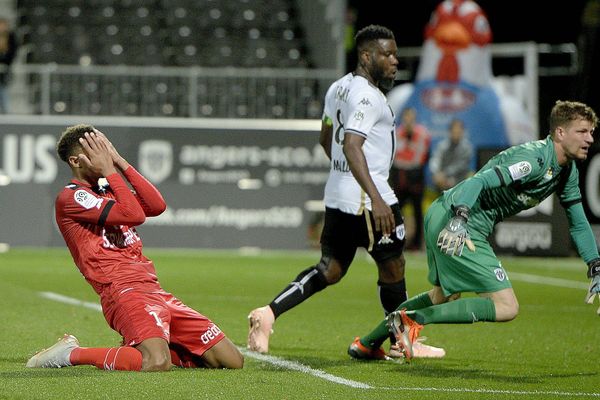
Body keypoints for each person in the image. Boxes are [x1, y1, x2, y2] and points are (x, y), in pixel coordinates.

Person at [246, 24, 444, 360]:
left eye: (396, 54)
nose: (395, 61)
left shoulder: (338, 88)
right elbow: (352, 145)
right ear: (367, 56)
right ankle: (404, 341)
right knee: (393, 268)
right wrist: (376, 197)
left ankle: (268, 313)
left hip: (339, 196)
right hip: (370, 200)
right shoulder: (368, 95)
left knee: (330, 269)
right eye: (387, 54)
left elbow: (326, 138)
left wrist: (344, 176)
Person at [352, 100, 600, 361]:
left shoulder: (566, 170)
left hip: (445, 212)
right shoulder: (535, 160)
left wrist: (594, 263)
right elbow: (480, 180)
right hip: (458, 219)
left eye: (592, 132)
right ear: (560, 133)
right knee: (507, 306)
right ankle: (412, 321)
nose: (590, 139)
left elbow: (578, 220)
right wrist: (460, 219)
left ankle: (368, 343)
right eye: (582, 132)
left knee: (442, 295)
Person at [26, 125, 243, 371]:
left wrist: (118, 161)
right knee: (156, 363)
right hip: (122, 290)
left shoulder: (109, 188)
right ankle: (71, 354)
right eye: (97, 151)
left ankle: (146, 342)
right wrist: (109, 170)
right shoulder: (72, 197)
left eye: (105, 149)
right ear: (76, 160)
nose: (104, 155)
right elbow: (134, 214)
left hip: (153, 289)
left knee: (231, 360)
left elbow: (156, 205)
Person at [389, 107, 431, 250]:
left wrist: (406, 159)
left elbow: (420, 157)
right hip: (399, 177)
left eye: (411, 117)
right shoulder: (396, 133)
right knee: (395, 210)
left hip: (415, 178)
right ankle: (392, 238)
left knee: (417, 211)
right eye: (406, 117)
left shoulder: (422, 134)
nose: (408, 120)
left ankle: (416, 243)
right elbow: (395, 156)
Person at [429, 118, 474, 192]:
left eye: (458, 130)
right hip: (441, 181)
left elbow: (460, 166)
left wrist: (444, 174)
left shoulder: (467, 147)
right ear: (449, 131)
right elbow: (435, 159)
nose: (456, 132)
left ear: (462, 131)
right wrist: (436, 172)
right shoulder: (442, 145)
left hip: (459, 182)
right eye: (454, 130)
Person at [0, 17, 17, 113]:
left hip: (5, 71)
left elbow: (12, 53)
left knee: (3, 90)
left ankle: (6, 111)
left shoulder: (11, 37)